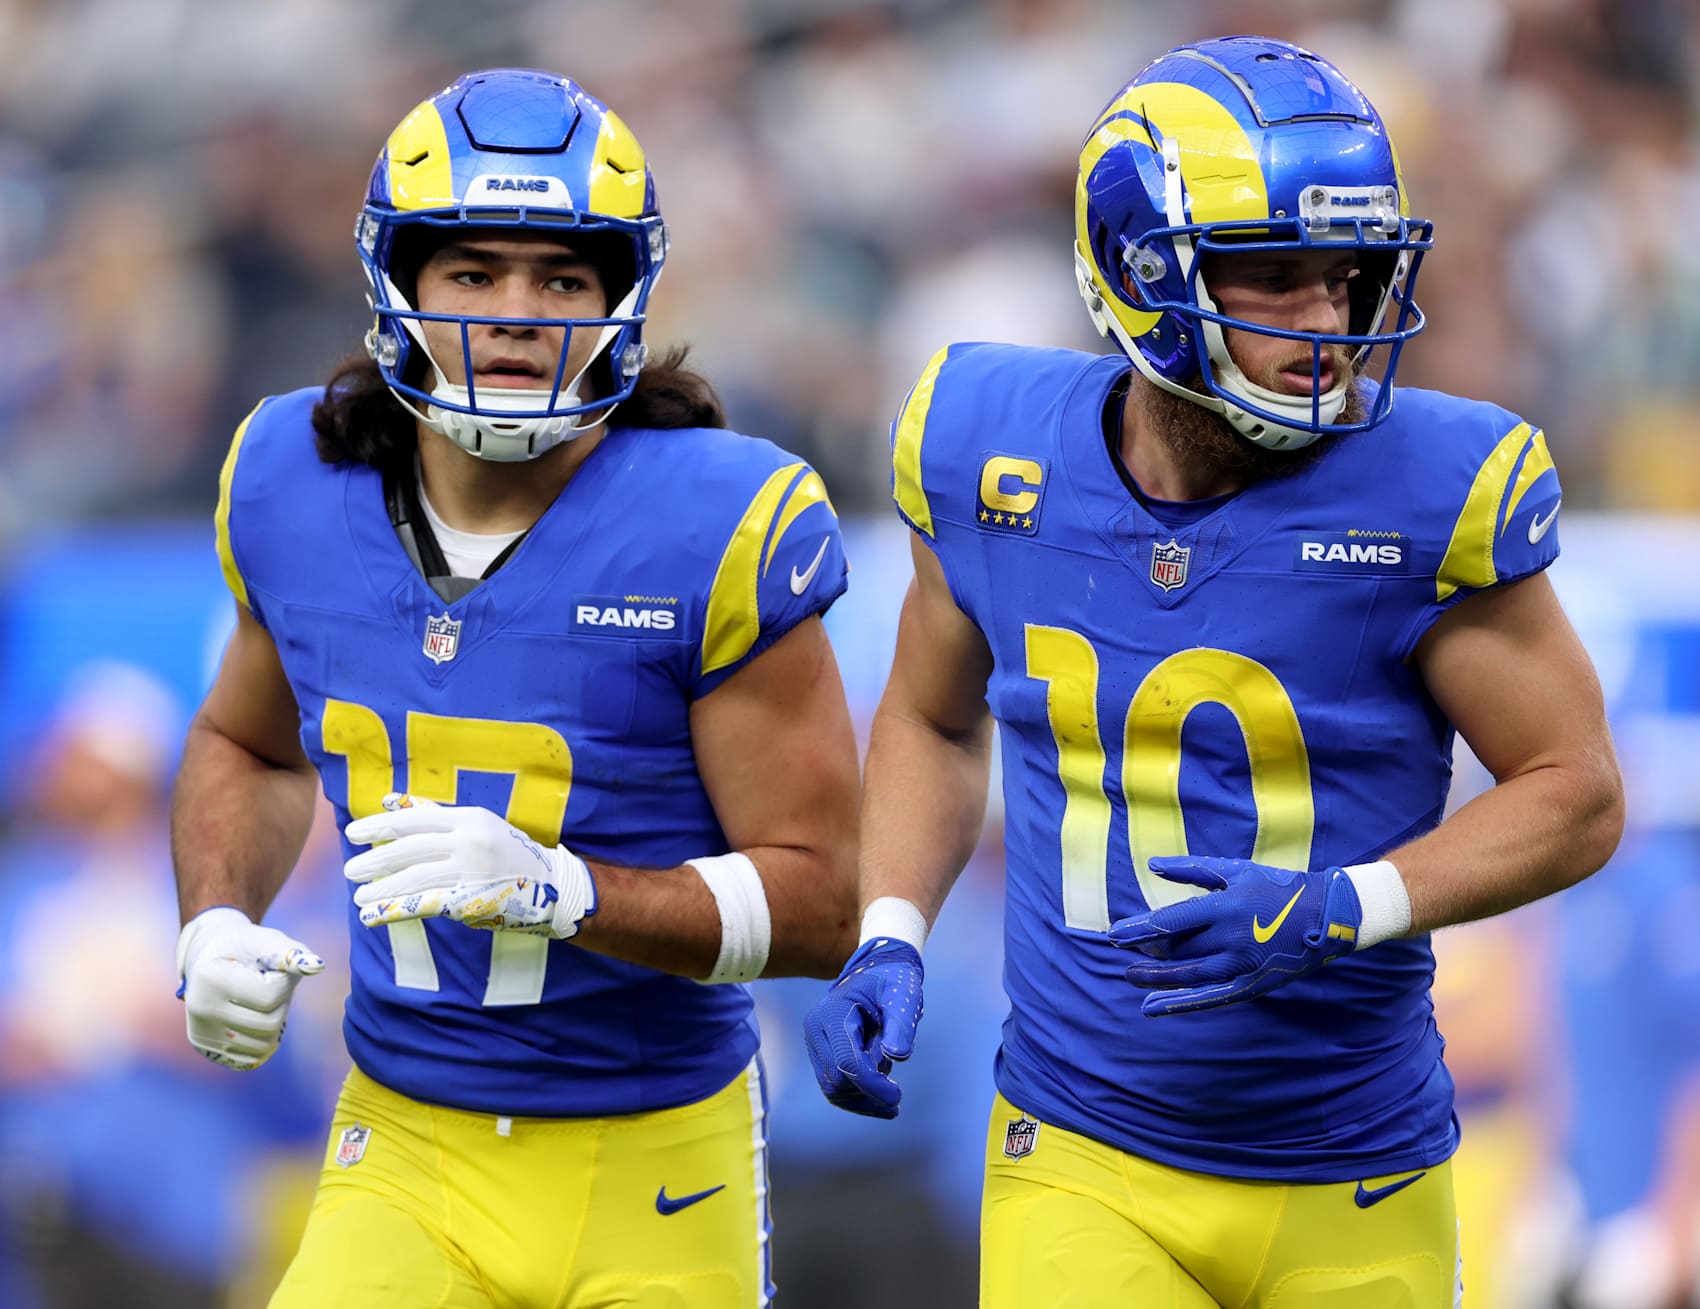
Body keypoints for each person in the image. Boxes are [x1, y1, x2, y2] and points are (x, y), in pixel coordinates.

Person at [805, 35, 1624, 1308]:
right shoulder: (987, 454)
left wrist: (1348, 903)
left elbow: (1577, 790)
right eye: (1274, 280)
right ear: (1141, 277)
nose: (1327, 327)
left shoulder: (1430, 493)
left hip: (1355, 1169)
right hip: (1080, 1150)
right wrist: (892, 930)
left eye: (1345, 281)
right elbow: (929, 713)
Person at [171, 68, 860, 1308]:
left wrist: (568, 889)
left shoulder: (713, 517)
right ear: (402, 285)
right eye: (474, 272)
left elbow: (821, 904)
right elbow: (252, 746)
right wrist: (216, 912)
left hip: (656, 1157)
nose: (516, 312)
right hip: (405, 1145)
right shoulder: (287, 477)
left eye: (561, 276)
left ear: (620, 299)